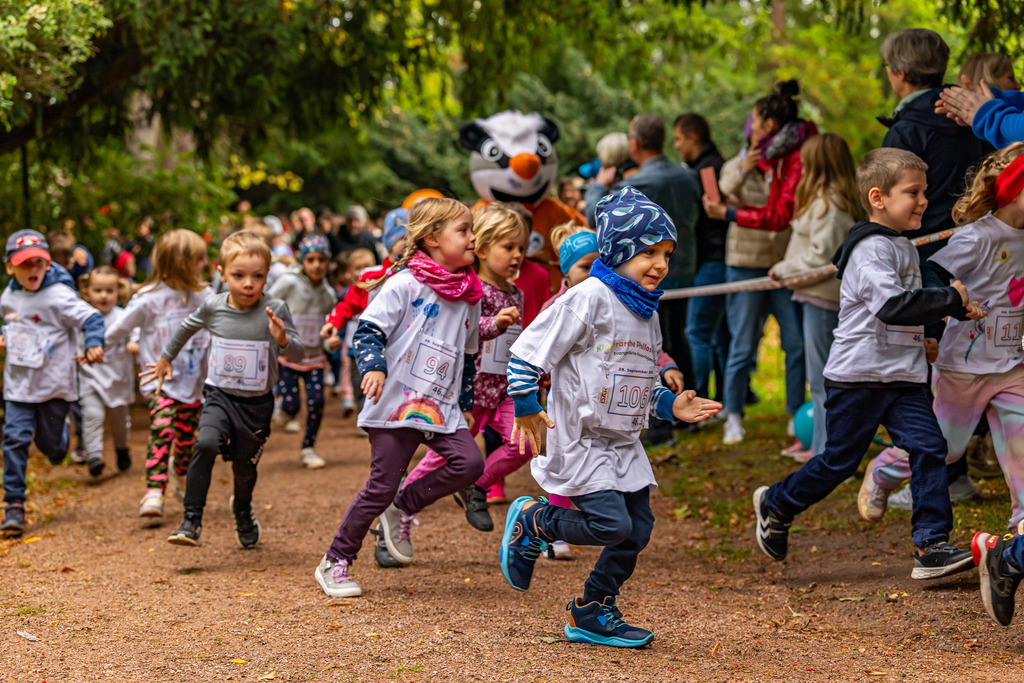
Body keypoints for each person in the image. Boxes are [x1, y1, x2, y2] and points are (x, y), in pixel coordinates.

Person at [501, 186, 721, 648]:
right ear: (620, 250)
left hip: (623, 442)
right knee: (612, 525)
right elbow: (526, 355)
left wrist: (670, 406)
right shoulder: (588, 298)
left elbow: (641, 384)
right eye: (649, 252)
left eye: (667, 253)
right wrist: (527, 407)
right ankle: (535, 523)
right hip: (580, 439)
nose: (661, 264)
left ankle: (591, 609)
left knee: (638, 528)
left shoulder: (646, 310)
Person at [753, 148, 984, 580]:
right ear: (878, 198)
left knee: (932, 448)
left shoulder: (902, 247)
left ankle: (930, 545)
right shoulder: (870, 251)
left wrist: (931, 332)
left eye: (924, 192)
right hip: (858, 378)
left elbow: (912, 303)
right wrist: (952, 300)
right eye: (912, 192)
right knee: (838, 463)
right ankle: (777, 503)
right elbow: (893, 305)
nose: (923, 201)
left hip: (905, 380)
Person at [314, 197, 485, 598]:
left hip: (440, 405)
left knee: (470, 463)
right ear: (432, 239)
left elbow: (469, 354)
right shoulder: (404, 283)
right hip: (394, 401)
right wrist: (373, 367)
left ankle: (403, 506)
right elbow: (368, 331)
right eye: (463, 230)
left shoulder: (470, 295)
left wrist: (464, 401)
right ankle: (335, 561)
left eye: (471, 229)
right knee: (380, 485)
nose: (473, 237)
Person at [859, 143, 1024, 531]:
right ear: (1017, 189)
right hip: (964, 367)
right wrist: (952, 301)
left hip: (1012, 366)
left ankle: (1022, 525)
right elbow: (931, 271)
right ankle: (884, 471)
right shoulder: (979, 237)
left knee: (1021, 447)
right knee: (946, 450)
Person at [142, 231, 304, 548]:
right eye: (238, 275)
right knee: (205, 443)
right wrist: (165, 358)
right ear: (221, 274)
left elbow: (298, 353)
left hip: (257, 404)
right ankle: (191, 520)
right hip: (219, 396)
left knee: (245, 467)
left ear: (266, 276)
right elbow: (186, 327)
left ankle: (242, 509)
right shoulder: (213, 307)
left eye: (257, 276)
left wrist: (283, 338)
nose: (248, 284)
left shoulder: (276, 309)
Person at [402, 203, 531, 533]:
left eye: (522, 247)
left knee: (526, 443)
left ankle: (477, 485)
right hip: (469, 392)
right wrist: (493, 323)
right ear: (484, 249)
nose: (518, 255)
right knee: (437, 460)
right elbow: (461, 330)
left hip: (504, 389)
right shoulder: (468, 289)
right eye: (509, 247)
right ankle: (399, 508)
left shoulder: (516, 293)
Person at [704, 81, 814, 445]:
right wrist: (745, 169)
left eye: (754, 119)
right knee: (742, 344)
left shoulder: (786, 165)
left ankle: (795, 411)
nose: (750, 126)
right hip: (745, 264)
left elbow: (781, 210)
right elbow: (720, 197)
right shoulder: (737, 164)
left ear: (766, 124)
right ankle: (732, 414)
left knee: (795, 343)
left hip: (784, 265)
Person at [0, 230, 105, 537]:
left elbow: (92, 318)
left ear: (47, 265)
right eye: (24, 264)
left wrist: (93, 345)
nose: (32, 269)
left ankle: (59, 444)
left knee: (49, 445)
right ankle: (14, 506)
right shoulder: (7, 298)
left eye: (38, 263)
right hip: (19, 387)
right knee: (14, 440)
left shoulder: (59, 294)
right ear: (10, 267)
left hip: (54, 386)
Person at [106, 229, 213, 522]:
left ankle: (180, 472)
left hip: (195, 384)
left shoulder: (206, 296)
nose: (204, 263)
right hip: (158, 381)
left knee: (187, 439)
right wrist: (95, 347)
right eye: (199, 258)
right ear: (180, 262)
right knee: (163, 427)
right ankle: (154, 490)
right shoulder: (149, 298)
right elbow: (118, 329)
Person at [769, 132, 861, 460]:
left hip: (823, 298)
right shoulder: (828, 200)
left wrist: (783, 268)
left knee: (823, 379)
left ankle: (826, 453)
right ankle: (824, 447)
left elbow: (823, 257)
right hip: (813, 296)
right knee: (822, 378)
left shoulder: (830, 204)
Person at [585, 114, 700, 374]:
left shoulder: (637, 185)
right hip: (687, 270)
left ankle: (665, 404)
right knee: (680, 337)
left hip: (649, 274)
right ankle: (687, 401)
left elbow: (596, 215)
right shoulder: (688, 176)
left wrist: (598, 187)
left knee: (655, 341)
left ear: (634, 143)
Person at [878, 28, 989, 258]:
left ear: (901, 73)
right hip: (979, 250)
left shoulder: (905, 133)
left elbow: (889, 210)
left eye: (887, 66)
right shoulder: (975, 117)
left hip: (923, 259)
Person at [268, 235, 337, 469]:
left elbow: (330, 325)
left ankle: (308, 447)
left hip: (315, 356)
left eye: (321, 260)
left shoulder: (328, 294)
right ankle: (284, 409)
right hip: (288, 355)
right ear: (302, 260)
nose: (316, 265)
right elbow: (269, 303)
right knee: (291, 405)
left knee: (317, 402)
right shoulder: (289, 282)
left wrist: (330, 343)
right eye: (311, 259)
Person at [674, 113, 729, 402]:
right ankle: (727, 398)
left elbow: (714, 214)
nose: (676, 145)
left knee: (697, 331)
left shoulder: (707, 171)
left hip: (712, 258)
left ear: (693, 137)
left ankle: (699, 399)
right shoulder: (706, 165)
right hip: (714, 257)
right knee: (718, 334)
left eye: (679, 139)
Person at [77, 266, 138, 477]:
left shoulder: (123, 316)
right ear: (87, 292)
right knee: (92, 415)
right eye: (98, 290)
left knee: (120, 423)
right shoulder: (81, 316)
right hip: (90, 376)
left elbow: (135, 331)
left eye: (109, 291)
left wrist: (134, 343)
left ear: (117, 292)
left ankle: (121, 448)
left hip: (117, 379)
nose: (103, 296)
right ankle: (94, 455)